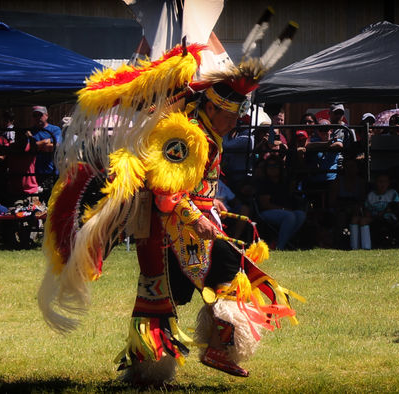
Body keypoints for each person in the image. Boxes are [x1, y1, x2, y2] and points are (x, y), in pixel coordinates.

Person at [37, 42, 300, 384]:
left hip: (180, 227)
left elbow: (189, 185)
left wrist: (211, 204)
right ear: (217, 110)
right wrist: (197, 217)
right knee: (215, 278)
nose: (235, 124)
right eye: (233, 117)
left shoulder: (203, 131)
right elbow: (166, 193)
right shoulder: (186, 136)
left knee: (167, 292)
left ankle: (158, 363)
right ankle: (199, 352)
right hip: (171, 230)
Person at [254, 158, 306, 250]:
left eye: (276, 166)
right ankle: (280, 247)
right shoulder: (264, 183)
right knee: (290, 216)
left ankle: (279, 242)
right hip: (266, 212)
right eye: (270, 166)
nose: (273, 169)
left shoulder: (283, 182)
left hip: (285, 211)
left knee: (301, 214)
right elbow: (265, 205)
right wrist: (283, 209)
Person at [30, 105, 62, 200]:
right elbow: (29, 148)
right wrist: (45, 141)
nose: (37, 118)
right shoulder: (30, 131)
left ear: (46, 116)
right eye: (35, 115)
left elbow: (54, 147)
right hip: (34, 173)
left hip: (51, 172)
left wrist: (36, 145)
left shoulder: (55, 129)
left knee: (51, 199)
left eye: (40, 115)